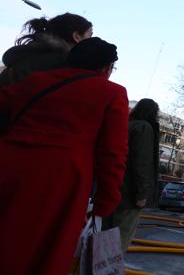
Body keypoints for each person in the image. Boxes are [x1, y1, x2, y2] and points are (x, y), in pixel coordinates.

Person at [0, 37, 128, 275]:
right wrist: (106, 201)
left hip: (9, 164)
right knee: (43, 251)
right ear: (107, 67)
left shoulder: (36, 81)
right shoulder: (112, 93)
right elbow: (113, 153)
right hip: (62, 179)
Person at [104, 98, 160, 252]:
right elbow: (142, 162)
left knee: (104, 237)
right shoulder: (144, 129)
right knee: (120, 239)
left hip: (113, 190)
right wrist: (142, 194)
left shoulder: (127, 126)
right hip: (130, 196)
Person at [0, 12, 93, 87]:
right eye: (90, 35)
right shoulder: (61, 65)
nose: (92, 40)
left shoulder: (29, 57)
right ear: (76, 36)